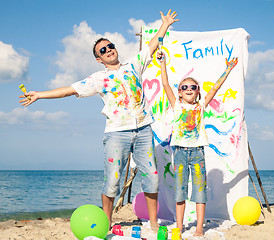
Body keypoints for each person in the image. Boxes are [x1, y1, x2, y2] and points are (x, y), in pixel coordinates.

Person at [19, 10, 179, 231]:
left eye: (110, 46)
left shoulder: (134, 65)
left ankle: (153, 223)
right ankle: (105, 224)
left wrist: (165, 25)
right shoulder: (98, 78)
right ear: (99, 58)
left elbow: (152, 45)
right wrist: (40, 94)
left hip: (143, 130)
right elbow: (69, 90)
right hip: (117, 134)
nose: (109, 50)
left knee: (151, 178)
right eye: (103, 50)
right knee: (112, 182)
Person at [158, 50, 238, 236]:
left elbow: (215, 88)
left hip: (197, 153)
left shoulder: (201, 107)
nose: (188, 90)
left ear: (198, 92)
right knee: (180, 191)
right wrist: (163, 63)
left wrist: (227, 69)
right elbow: (164, 83)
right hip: (179, 153)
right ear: (179, 92)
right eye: (184, 87)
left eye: (192, 87)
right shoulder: (176, 105)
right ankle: (179, 225)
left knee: (200, 191)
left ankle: (199, 227)